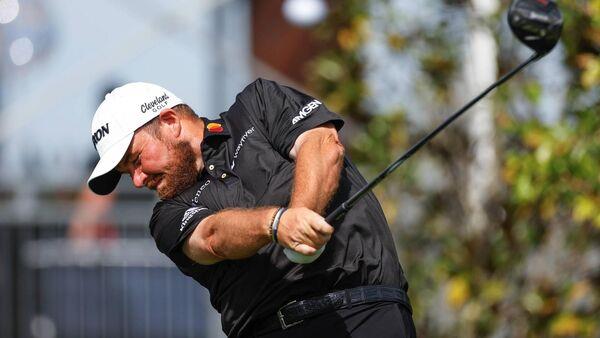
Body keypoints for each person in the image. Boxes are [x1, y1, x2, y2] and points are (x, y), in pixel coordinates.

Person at [86, 80, 416, 337]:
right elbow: (212, 237)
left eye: (136, 161)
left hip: (368, 313)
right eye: (129, 174)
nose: (139, 180)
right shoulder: (166, 216)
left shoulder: (258, 104)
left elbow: (322, 146)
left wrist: (302, 215)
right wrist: (278, 224)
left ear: (170, 121)